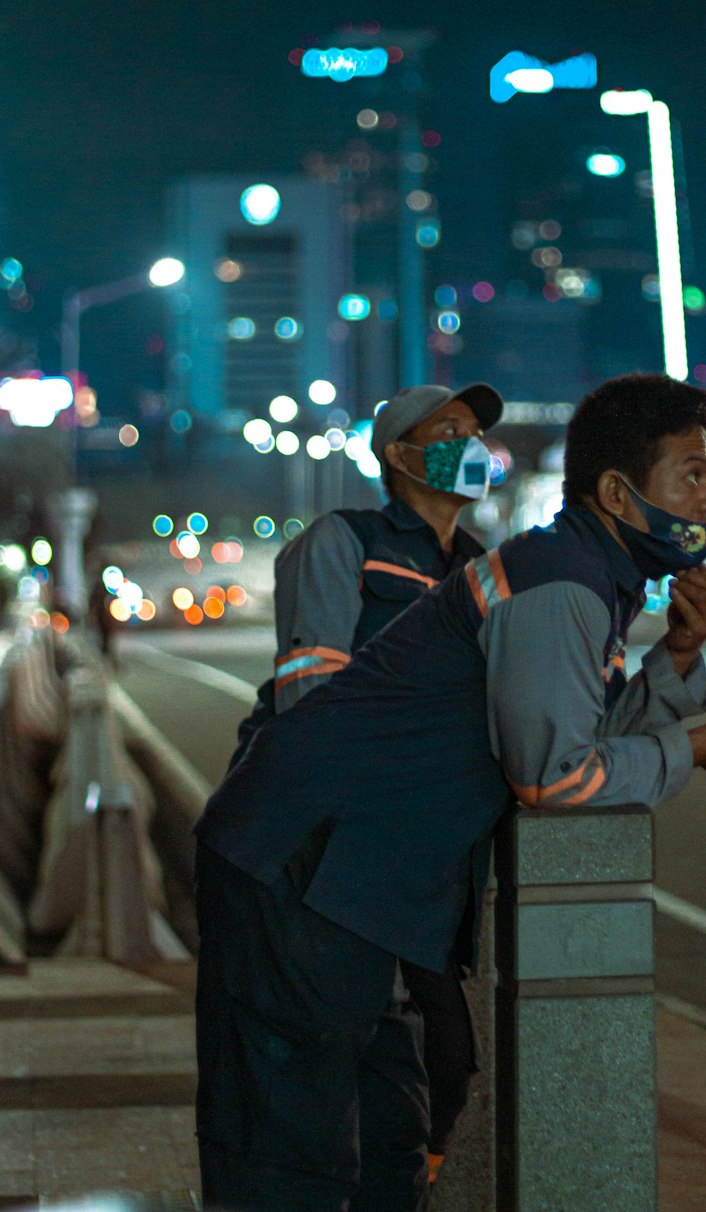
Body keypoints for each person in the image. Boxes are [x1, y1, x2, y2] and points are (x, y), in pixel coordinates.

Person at [194, 373, 706, 1212]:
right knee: (293, 1152)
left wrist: (680, 658)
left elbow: (581, 731)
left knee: (392, 1133)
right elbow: (556, 774)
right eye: (693, 473)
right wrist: (694, 747)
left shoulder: (565, 571)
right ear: (618, 491)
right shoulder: (554, 579)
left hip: (370, 882)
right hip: (302, 863)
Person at [231, 381, 505, 1187]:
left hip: (423, 857)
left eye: (476, 432)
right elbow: (313, 696)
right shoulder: (343, 541)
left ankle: (402, 1186)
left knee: (446, 1059)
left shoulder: (485, 568)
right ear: (399, 455)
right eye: (449, 430)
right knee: (342, 1056)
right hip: (328, 850)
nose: (473, 445)